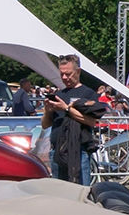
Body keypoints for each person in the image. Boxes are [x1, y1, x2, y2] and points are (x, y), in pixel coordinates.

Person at [42, 54, 103, 184]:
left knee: (80, 192)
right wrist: (48, 111)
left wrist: (66, 109)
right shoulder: (59, 95)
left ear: (78, 71)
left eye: (68, 74)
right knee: (59, 195)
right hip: (57, 151)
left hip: (79, 151)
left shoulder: (88, 94)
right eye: (62, 74)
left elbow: (92, 121)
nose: (65, 78)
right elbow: (45, 125)